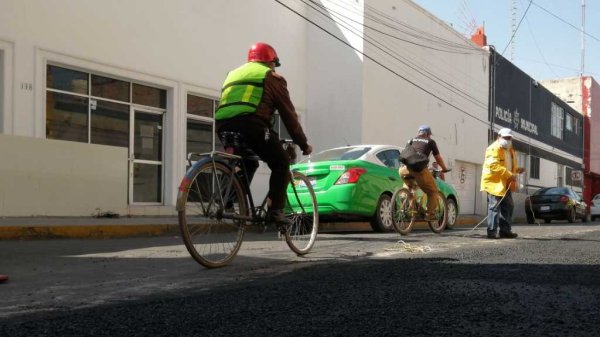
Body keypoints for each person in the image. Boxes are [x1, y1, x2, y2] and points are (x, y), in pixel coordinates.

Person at [215, 42, 312, 228]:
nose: (274, 67)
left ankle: (228, 202)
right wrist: (303, 144)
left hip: (222, 125)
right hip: (252, 125)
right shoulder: (271, 77)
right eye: (274, 63)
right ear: (270, 62)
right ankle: (276, 211)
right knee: (281, 162)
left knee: (248, 161)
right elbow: (289, 116)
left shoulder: (232, 74)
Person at [480, 128, 525, 239]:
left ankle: (505, 231)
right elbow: (494, 166)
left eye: (509, 138)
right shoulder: (492, 149)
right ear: (498, 137)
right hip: (494, 183)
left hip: (506, 183)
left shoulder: (510, 150)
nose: (508, 140)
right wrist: (510, 175)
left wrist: (518, 170)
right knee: (494, 208)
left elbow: (509, 166)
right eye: (505, 138)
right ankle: (491, 232)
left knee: (509, 206)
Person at [399, 125, 449, 221]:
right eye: (429, 134)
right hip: (419, 169)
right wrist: (444, 168)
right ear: (427, 134)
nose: (430, 136)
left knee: (410, 185)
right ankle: (429, 214)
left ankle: (406, 200)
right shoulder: (430, 142)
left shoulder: (410, 140)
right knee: (433, 191)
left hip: (403, 169)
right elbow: (438, 158)